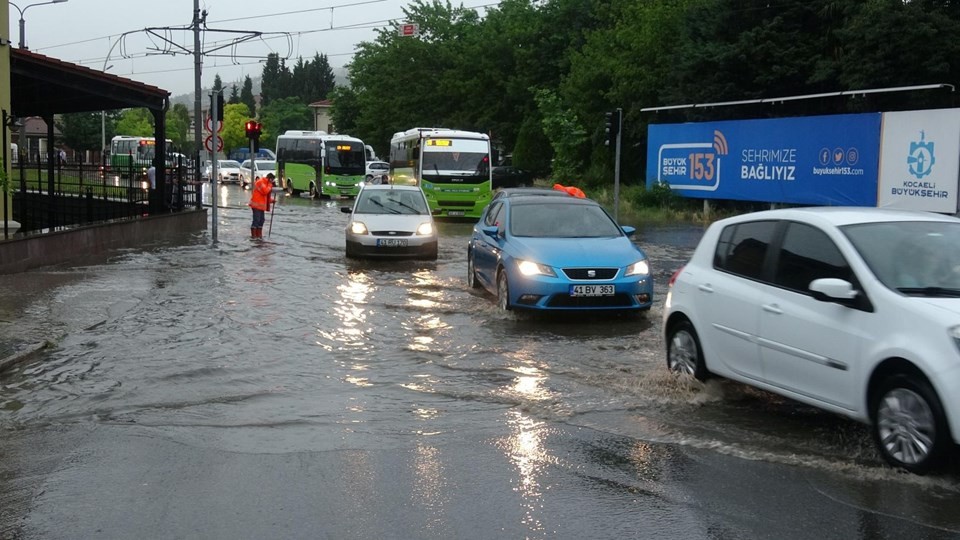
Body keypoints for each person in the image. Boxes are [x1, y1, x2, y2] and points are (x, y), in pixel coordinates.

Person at [248, 172, 276, 238]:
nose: (272, 182)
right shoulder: (260, 182)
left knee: (261, 220)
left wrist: (271, 200)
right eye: (272, 180)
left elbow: (265, 196)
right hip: (256, 205)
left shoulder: (266, 183)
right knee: (256, 220)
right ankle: (254, 236)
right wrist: (270, 185)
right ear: (270, 179)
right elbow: (265, 192)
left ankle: (259, 235)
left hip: (261, 206)